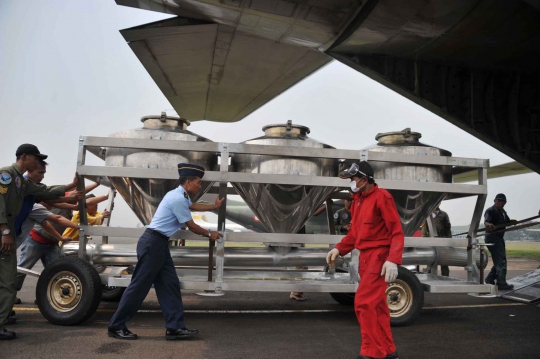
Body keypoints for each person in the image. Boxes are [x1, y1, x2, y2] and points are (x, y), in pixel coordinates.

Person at [107, 163, 224, 340]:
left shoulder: (181, 196)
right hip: (153, 244)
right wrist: (210, 234)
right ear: (188, 182)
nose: (200, 186)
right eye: (198, 182)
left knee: (170, 285)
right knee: (139, 287)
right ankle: (116, 326)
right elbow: (192, 226)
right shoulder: (177, 198)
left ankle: (175, 327)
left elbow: (192, 206)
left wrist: (213, 207)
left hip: (159, 245)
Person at [0, 144, 81, 340]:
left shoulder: (23, 182)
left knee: (8, 281)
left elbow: (46, 191)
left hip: (8, 238)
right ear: (24, 156)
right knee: (8, 280)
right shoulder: (7, 175)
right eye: (35, 159)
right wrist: (5, 230)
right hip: (5, 235)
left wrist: (71, 185)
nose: (38, 162)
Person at [326, 161, 403, 359]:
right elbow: (354, 234)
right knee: (377, 306)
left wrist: (393, 259)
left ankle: (372, 352)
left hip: (379, 257)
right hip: (366, 258)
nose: (351, 182)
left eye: (353, 179)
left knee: (364, 303)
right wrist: (339, 248)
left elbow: (396, 231)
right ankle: (387, 349)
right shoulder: (358, 201)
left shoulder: (382, 197)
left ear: (364, 178)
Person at [484, 193, 516, 290]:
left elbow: (506, 222)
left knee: (500, 260)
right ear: (494, 201)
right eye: (499, 200)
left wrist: (512, 222)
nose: (500, 203)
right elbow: (486, 221)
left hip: (499, 238)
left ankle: (490, 278)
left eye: (502, 201)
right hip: (492, 237)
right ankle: (501, 283)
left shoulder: (503, 212)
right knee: (501, 260)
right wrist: (489, 225)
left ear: (505, 202)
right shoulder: (490, 210)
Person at [421, 206, 452, 277]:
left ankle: (445, 278)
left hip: (443, 242)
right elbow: (424, 230)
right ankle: (429, 278)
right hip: (431, 242)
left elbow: (448, 228)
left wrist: (449, 241)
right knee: (430, 262)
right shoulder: (427, 215)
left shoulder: (444, 215)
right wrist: (424, 242)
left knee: (444, 262)